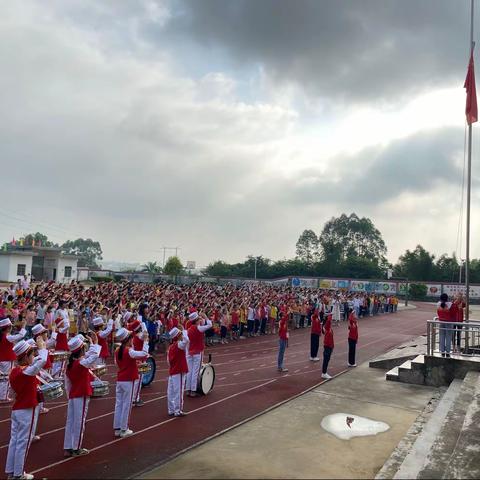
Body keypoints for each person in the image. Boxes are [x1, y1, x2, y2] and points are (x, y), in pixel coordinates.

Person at [5, 337, 47, 480]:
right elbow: (41, 362)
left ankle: (11, 472)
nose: (34, 357)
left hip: (17, 410)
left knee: (15, 441)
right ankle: (18, 474)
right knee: (23, 441)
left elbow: (12, 393)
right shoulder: (26, 372)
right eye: (32, 354)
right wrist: (42, 347)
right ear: (26, 356)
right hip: (27, 409)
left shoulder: (15, 371)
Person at [63, 333, 101, 458]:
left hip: (73, 395)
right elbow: (94, 356)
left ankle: (68, 446)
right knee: (80, 421)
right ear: (81, 351)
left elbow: (67, 385)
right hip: (82, 394)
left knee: (71, 421)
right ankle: (76, 448)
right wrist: (94, 343)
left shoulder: (70, 365)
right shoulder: (81, 364)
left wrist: (69, 396)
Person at [113, 327, 148, 438]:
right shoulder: (129, 351)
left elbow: (119, 365)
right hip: (128, 380)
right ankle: (124, 429)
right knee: (127, 405)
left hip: (120, 380)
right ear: (128, 339)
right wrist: (146, 342)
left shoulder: (117, 350)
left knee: (119, 404)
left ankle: (117, 428)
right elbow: (144, 354)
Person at [185, 312, 212, 397]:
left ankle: (188, 389)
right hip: (197, 351)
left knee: (189, 371)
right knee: (195, 372)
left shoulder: (189, 330)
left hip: (190, 352)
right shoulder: (199, 329)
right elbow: (209, 325)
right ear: (196, 321)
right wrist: (206, 317)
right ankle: (193, 390)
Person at [0, 317, 26, 402]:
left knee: (2, 378)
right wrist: (23, 326)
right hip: (7, 359)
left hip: (2, 359)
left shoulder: (3, 337)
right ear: (8, 328)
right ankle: (3, 396)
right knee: (6, 378)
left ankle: (2, 395)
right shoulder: (7, 337)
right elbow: (21, 335)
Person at [167, 327, 189, 417]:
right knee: (178, 391)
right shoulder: (179, 345)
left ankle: (171, 409)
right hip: (179, 370)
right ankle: (178, 410)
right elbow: (187, 340)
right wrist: (183, 330)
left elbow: (168, 362)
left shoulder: (170, 347)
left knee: (171, 392)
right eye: (180, 334)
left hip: (172, 371)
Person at [437, 293, 453, 357]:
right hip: (448, 322)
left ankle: (442, 351)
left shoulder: (438, 304)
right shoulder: (450, 304)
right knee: (448, 337)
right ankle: (448, 351)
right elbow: (452, 313)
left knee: (441, 336)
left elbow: (438, 313)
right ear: (447, 298)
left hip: (441, 321)